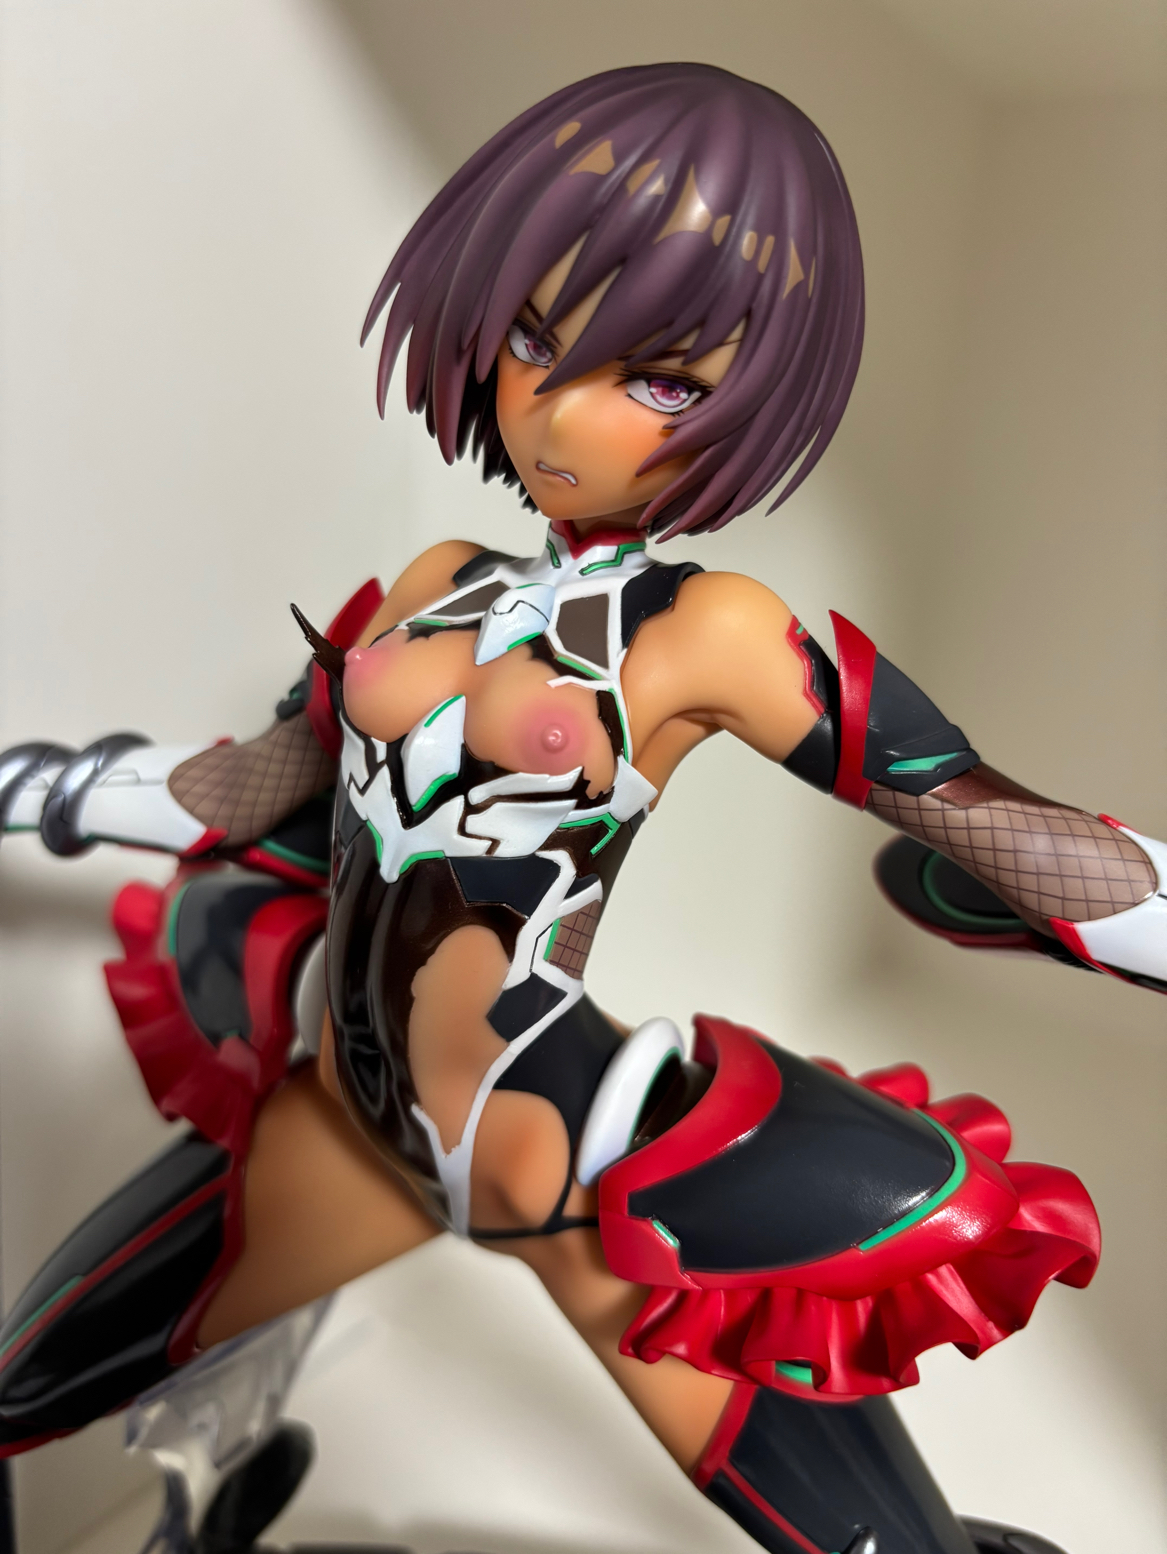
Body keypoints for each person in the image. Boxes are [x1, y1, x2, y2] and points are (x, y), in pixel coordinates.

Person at [0, 63, 1157, 1554]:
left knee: (893, 1550)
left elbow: (985, 817)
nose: (559, 408)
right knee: (22, 1390)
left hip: (567, 1165)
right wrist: (46, 789)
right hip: (345, 1130)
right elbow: (254, 787)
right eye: (538, 337)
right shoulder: (436, 586)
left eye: (659, 379)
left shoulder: (706, 630)